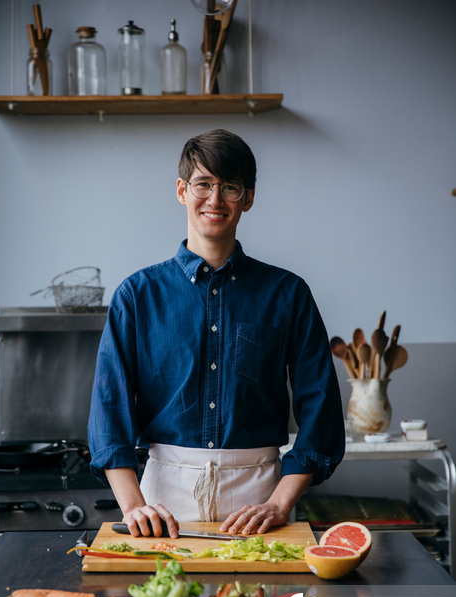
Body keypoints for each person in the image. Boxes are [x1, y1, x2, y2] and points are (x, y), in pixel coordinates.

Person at [88, 128, 344, 539]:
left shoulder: (288, 294)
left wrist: (279, 503)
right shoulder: (137, 295)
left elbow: (322, 408)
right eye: (203, 184)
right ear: (181, 190)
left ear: (249, 198)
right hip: (161, 503)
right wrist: (134, 508)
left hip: (260, 499)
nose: (215, 199)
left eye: (230, 187)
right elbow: (109, 408)